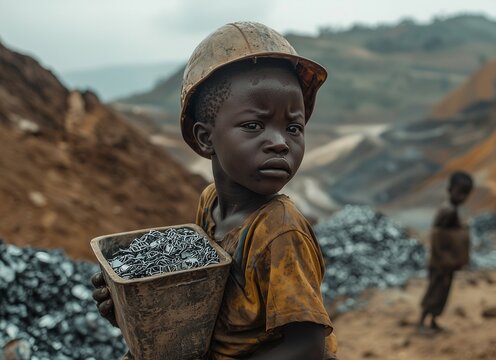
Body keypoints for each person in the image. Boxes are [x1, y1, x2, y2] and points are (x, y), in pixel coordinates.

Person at [91, 22, 336, 359]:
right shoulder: (210, 202)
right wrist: (133, 311)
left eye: (293, 127)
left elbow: (307, 348)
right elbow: (204, 304)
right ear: (207, 138)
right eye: (253, 126)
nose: (280, 142)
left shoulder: (280, 230)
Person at [418, 171, 474, 334]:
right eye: (460, 192)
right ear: (450, 189)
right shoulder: (447, 211)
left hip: (446, 262)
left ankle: (433, 321)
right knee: (435, 291)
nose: (462, 197)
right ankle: (422, 322)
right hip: (441, 262)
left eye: (466, 194)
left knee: (442, 292)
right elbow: (438, 236)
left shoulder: (452, 210)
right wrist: (443, 259)